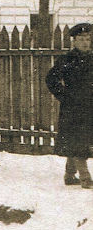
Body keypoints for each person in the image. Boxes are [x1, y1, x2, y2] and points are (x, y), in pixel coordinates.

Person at [46, 22, 93, 188]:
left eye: (88, 39)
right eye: (81, 39)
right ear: (74, 41)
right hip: (73, 107)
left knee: (78, 140)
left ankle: (70, 174)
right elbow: (51, 79)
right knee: (79, 140)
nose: (86, 42)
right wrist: (64, 96)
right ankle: (86, 178)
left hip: (90, 107)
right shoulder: (67, 59)